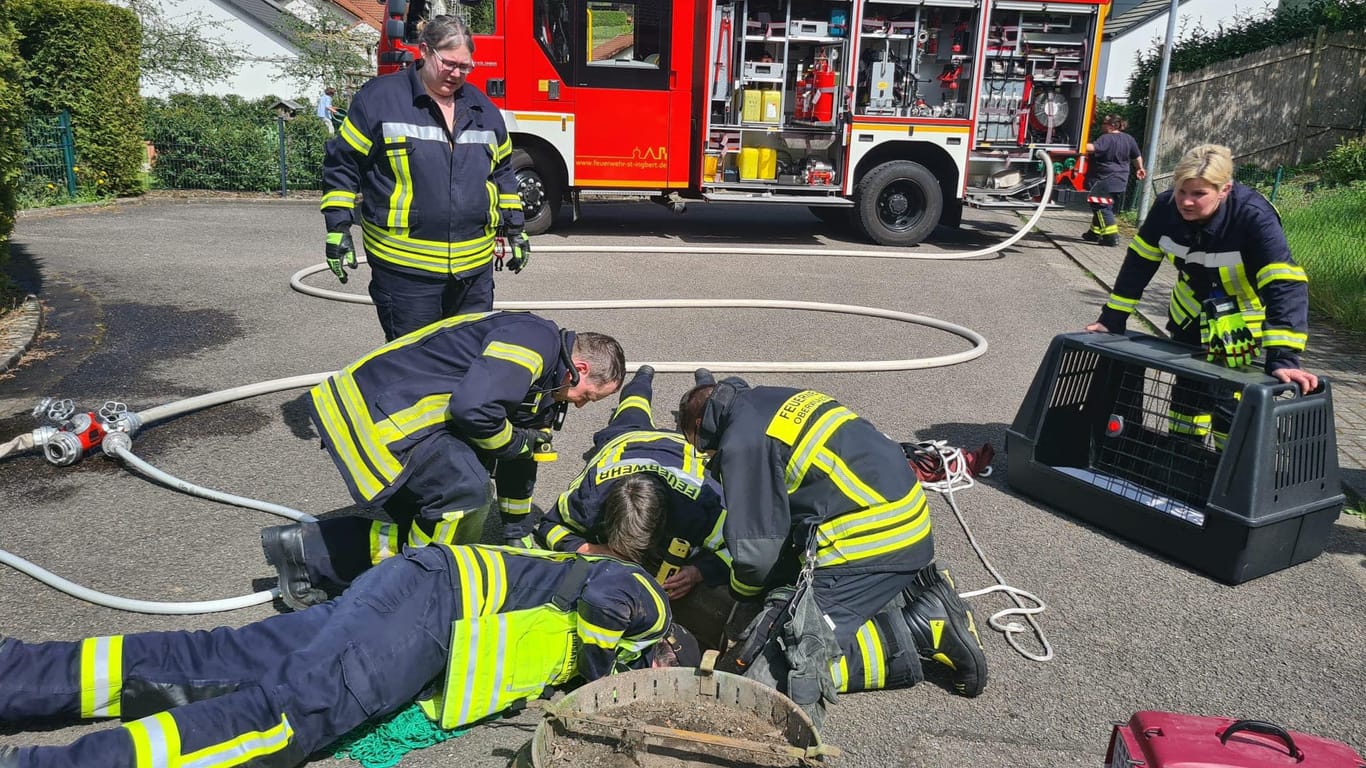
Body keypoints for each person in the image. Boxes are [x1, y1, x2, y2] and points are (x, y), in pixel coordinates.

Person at [0, 475, 674, 768]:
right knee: (283, 720)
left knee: (223, 660)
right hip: (422, 617)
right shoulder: (642, 593)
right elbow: (607, 612)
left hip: (412, 589)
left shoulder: (572, 552)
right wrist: (600, 677)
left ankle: (17, 675)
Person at [676, 374, 988, 727]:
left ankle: (923, 628)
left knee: (777, 668)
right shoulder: (772, 401)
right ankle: (908, 592)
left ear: (702, 425)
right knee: (786, 606)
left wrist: (745, 601)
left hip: (873, 543)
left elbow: (756, 555)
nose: (706, 455)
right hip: (905, 521)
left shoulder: (742, 444)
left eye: (702, 447)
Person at [262, 311, 625, 611]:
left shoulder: (547, 382)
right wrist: (514, 442)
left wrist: (516, 532)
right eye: (587, 397)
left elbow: (521, 458)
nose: (579, 405)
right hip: (376, 415)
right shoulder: (534, 341)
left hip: (396, 419)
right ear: (577, 367)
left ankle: (306, 550)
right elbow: (474, 410)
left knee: (433, 531)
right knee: (463, 498)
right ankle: (418, 596)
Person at [1086, 143, 1317, 444]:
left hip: (1238, 323)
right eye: (1183, 191)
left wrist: (1284, 359)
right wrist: (1112, 318)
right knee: (1187, 396)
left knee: (1227, 400)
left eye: (1199, 194)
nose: (1187, 202)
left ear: (1224, 190)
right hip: (1188, 314)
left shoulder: (1253, 216)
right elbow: (1139, 264)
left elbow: (1284, 284)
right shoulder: (1166, 208)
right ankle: (1183, 459)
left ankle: (1228, 471)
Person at [320, 15, 529, 342]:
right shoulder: (380, 100)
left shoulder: (483, 110)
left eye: (465, 66)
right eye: (448, 63)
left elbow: (502, 171)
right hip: (404, 274)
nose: (457, 74)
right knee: (411, 368)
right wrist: (338, 227)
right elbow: (343, 164)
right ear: (424, 51)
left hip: (473, 275)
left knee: (467, 364)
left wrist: (515, 229)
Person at [536, 364, 736, 645]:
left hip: (679, 447)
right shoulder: (589, 499)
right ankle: (643, 377)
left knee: (706, 414)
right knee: (632, 408)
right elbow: (549, 527)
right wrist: (590, 548)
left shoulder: (700, 508)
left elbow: (737, 546)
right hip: (626, 440)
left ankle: (705, 382)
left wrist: (698, 571)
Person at [1083, 113, 1146, 246]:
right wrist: (1140, 168)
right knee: (1105, 206)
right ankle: (1093, 234)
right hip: (1121, 180)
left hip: (1105, 179)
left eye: (1104, 123)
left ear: (1112, 126)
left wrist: (1079, 143)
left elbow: (1093, 148)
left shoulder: (1106, 138)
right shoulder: (1129, 139)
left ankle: (1111, 237)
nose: (1102, 126)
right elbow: (1136, 156)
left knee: (1101, 207)